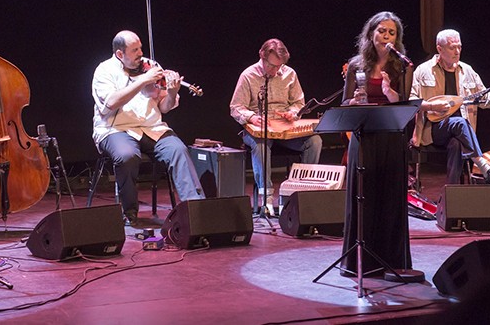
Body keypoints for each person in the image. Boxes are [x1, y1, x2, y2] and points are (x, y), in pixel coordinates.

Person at [92, 30, 205, 226]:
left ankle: (195, 210)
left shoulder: (151, 67)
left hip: (152, 128)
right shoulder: (104, 71)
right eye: (134, 50)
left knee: (178, 150)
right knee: (127, 156)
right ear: (120, 54)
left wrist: (171, 93)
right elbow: (111, 102)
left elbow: (164, 107)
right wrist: (143, 80)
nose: (140, 54)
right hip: (116, 129)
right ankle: (130, 212)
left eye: (141, 48)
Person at [339, 11, 414, 275]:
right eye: (382, 31)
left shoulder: (402, 66)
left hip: (391, 138)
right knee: (364, 196)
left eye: (392, 33)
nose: (386, 37)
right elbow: (345, 103)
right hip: (365, 137)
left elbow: (404, 107)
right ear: (371, 33)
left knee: (390, 198)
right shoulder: (356, 65)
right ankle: (359, 262)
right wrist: (356, 100)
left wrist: (389, 92)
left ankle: (391, 260)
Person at [230, 38, 322, 215]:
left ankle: (302, 193)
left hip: (284, 130)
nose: (275, 71)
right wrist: (252, 117)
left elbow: (298, 103)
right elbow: (235, 107)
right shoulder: (248, 75)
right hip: (258, 129)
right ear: (262, 57)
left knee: (314, 141)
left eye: (279, 66)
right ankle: (267, 199)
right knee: (261, 144)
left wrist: (293, 113)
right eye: (272, 66)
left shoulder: (290, 74)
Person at [410, 29, 490, 185]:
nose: (457, 51)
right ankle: (486, 169)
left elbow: (483, 99)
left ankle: (451, 194)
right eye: (452, 47)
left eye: (459, 47)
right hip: (433, 129)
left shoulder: (467, 70)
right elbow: (413, 102)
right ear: (439, 49)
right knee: (460, 123)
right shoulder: (423, 70)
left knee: (456, 143)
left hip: (462, 133)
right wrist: (432, 105)